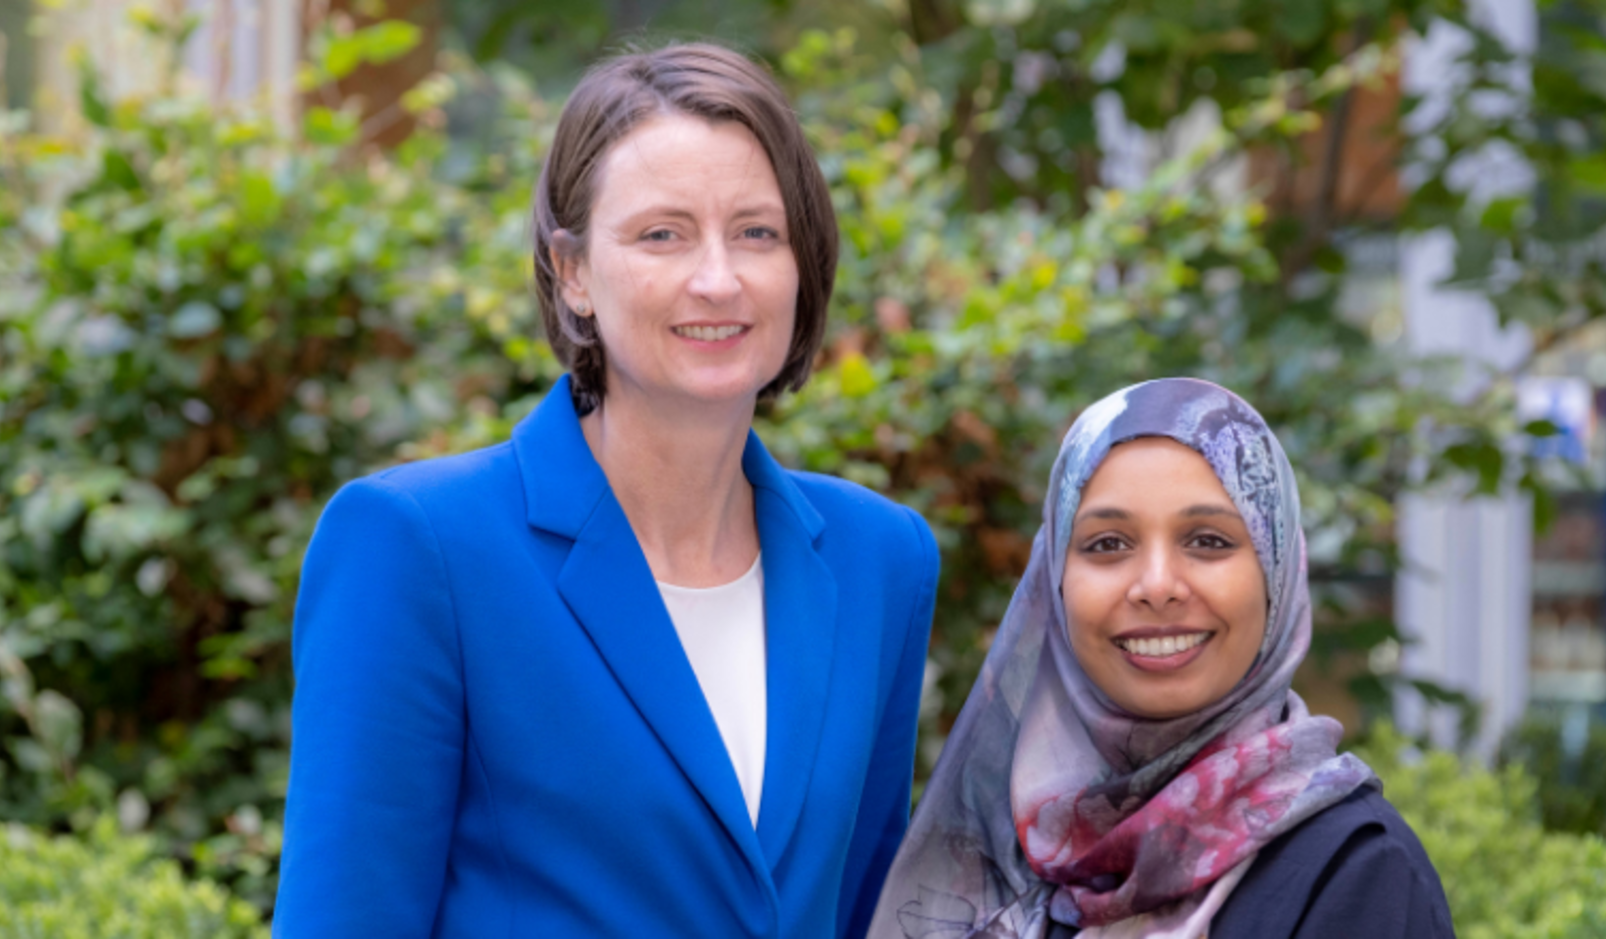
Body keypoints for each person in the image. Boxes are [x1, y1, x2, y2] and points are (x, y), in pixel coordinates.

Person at [273, 43, 940, 938]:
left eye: (757, 232)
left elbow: (867, 910)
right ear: (573, 272)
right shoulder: (418, 545)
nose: (719, 277)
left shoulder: (882, 558)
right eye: (662, 234)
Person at [867, 379, 1453, 939]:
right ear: (1055, 584)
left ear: (1276, 575)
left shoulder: (1358, 872)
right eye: (1108, 544)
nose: (1157, 585)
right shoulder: (997, 847)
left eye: (1208, 541)